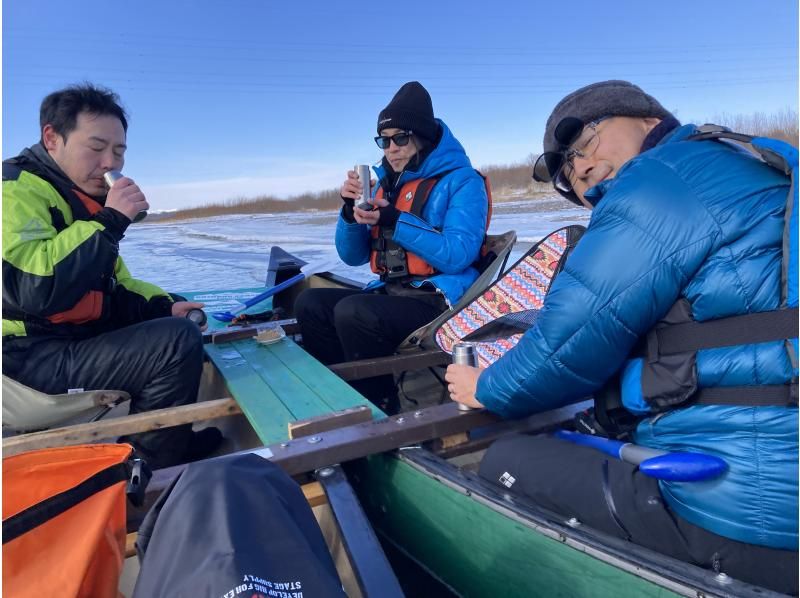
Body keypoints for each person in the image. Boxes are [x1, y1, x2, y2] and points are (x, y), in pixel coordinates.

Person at [445, 80, 798, 592]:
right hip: (777, 474)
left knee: (503, 459)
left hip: (742, 509)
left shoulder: (661, 179)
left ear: (650, 120)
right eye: (566, 170)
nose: (579, 168)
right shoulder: (750, 165)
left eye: (585, 141)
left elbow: (568, 341)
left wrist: (485, 387)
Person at [2, 83, 222, 469]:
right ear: (52, 139)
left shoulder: (78, 200)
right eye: (96, 147)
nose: (109, 162)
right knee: (175, 344)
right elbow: (31, 289)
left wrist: (164, 305)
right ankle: (145, 470)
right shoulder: (13, 190)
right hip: (20, 361)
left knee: (171, 324)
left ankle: (168, 442)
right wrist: (110, 221)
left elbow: (114, 286)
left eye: (118, 152)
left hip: (59, 343)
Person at [295, 81, 488, 414]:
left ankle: (380, 408)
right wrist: (349, 212)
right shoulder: (385, 185)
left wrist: (394, 219)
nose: (391, 149)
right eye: (384, 140)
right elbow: (352, 256)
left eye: (401, 138)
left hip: (439, 301)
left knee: (355, 312)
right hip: (394, 293)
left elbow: (458, 254)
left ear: (423, 137)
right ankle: (340, 396)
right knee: (310, 303)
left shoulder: (463, 181)